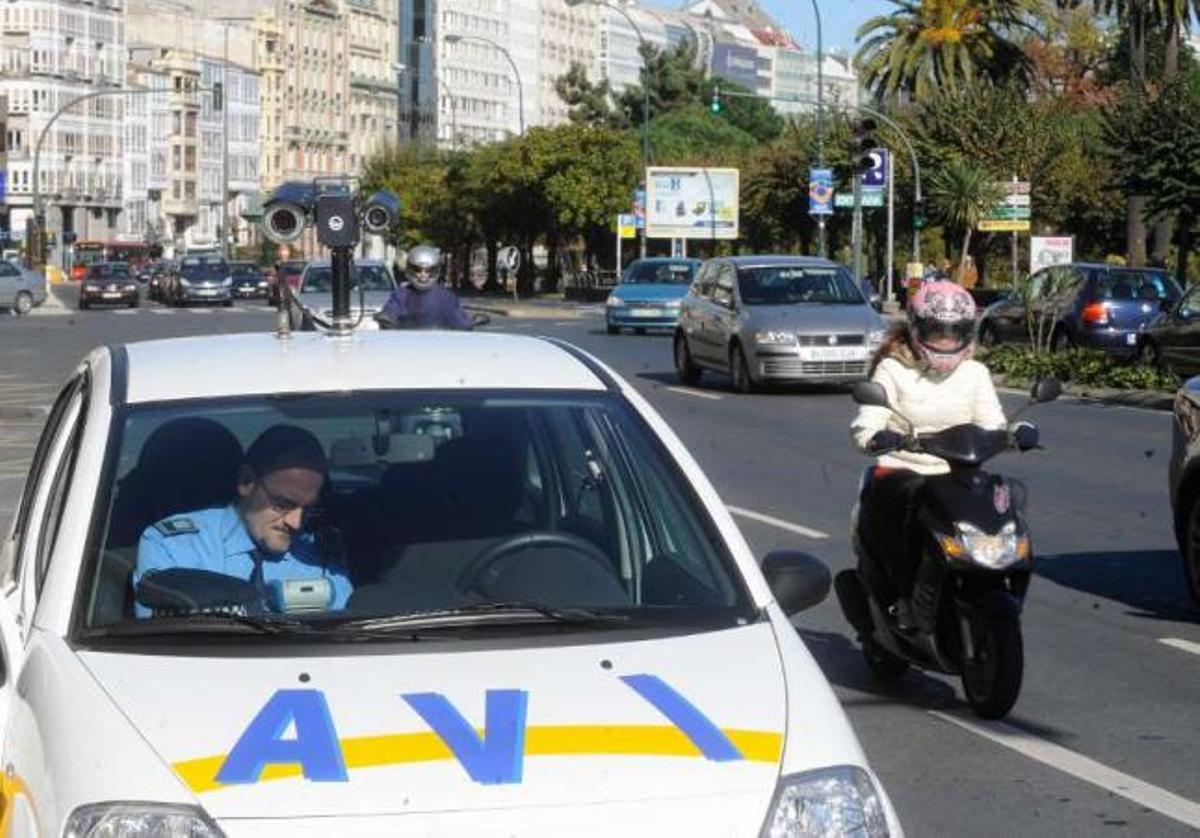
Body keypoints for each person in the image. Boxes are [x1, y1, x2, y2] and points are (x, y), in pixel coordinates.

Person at [849, 281, 1008, 629]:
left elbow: (994, 423)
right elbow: (867, 421)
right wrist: (877, 437)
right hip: (904, 470)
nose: (947, 341)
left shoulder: (975, 373)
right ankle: (903, 598)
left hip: (959, 472)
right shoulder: (893, 369)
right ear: (918, 328)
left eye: (956, 333)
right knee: (908, 503)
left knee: (1006, 500)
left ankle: (1001, 579)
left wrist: (1012, 436)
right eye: (938, 332)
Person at [133, 425, 352, 617]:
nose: (295, 523)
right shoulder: (174, 545)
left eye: (309, 509)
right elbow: (161, 639)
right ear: (247, 482)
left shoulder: (317, 559)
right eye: (283, 504)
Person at [376, 244, 473, 330]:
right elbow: (390, 312)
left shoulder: (446, 297)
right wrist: (386, 317)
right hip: (406, 345)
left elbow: (460, 321)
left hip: (440, 346)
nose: (423, 275)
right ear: (409, 270)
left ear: (437, 271)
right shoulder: (401, 294)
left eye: (429, 270)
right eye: (417, 270)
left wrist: (468, 322)